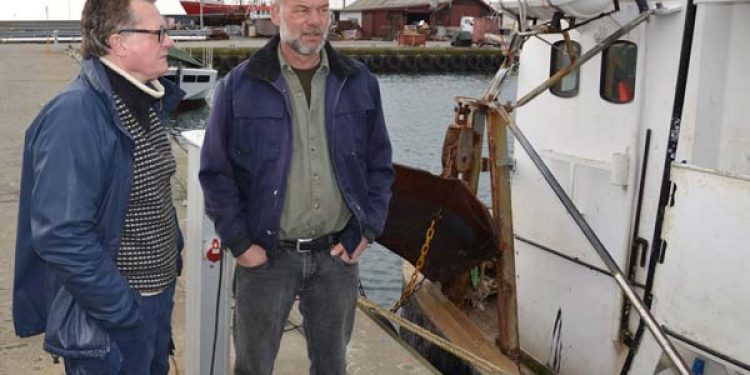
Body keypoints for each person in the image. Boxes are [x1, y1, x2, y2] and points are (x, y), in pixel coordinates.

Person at [198, 0, 394, 372]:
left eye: (323, 10)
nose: (315, 21)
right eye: (302, 9)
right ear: (275, 13)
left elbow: (379, 167)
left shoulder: (359, 82)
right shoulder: (239, 85)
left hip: (337, 256)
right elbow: (215, 173)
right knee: (253, 366)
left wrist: (367, 230)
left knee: (332, 366)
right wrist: (241, 244)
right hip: (267, 257)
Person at [12, 0, 185, 373]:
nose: (169, 41)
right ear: (118, 42)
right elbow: (61, 234)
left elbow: (150, 194)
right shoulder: (75, 115)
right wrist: (123, 311)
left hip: (155, 302)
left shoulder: (144, 101)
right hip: (114, 319)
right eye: (159, 32)